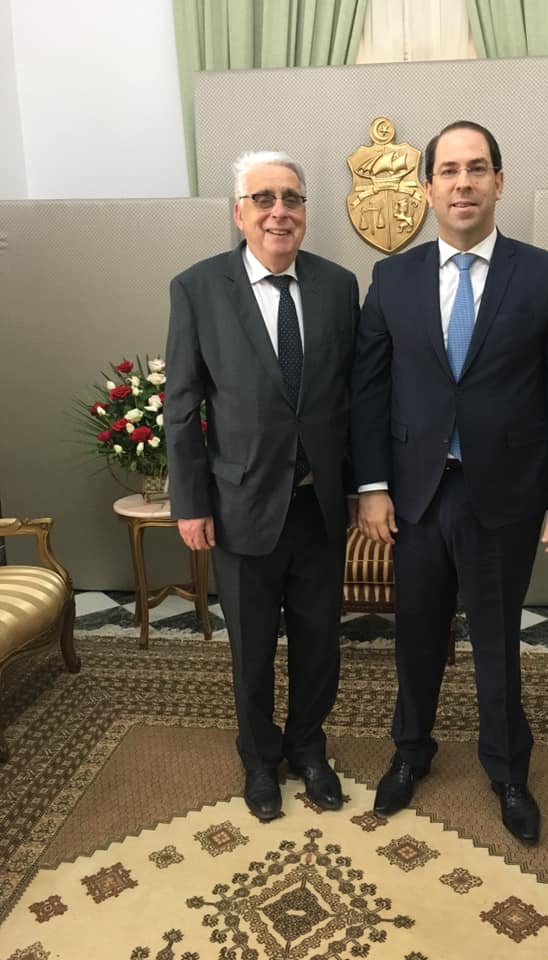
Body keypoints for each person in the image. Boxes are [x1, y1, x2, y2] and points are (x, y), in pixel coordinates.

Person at [351, 121, 548, 845]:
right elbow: (369, 390)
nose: (463, 182)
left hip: (507, 493)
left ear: (499, 182)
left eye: (477, 168)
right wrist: (371, 485)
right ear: (427, 188)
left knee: (495, 639)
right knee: (416, 637)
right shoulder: (391, 279)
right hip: (416, 495)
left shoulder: (546, 274)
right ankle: (410, 752)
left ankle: (509, 771)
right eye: (450, 170)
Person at [164, 151, 359, 821]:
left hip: (318, 505)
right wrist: (190, 502)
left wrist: (359, 487)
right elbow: (182, 405)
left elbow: (352, 397)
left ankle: (308, 749)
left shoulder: (338, 285)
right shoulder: (198, 288)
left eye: (293, 198)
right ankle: (258, 758)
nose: (281, 211)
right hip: (239, 504)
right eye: (265, 198)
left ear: (305, 211)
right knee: (251, 648)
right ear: (239, 212)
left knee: (318, 642)